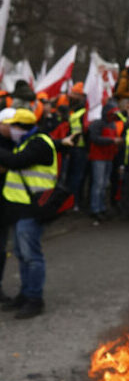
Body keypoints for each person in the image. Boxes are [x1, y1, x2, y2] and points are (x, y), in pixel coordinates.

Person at [0, 109, 57, 319]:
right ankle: (25, 294)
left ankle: (35, 298)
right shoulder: (26, 141)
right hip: (21, 209)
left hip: (33, 210)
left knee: (31, 256)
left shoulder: (39, 143)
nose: (10, 129)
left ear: (22, 127)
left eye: (14, 126)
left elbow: (16, 162)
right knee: (21, 254)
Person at [87, 101, 123, 223]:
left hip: (108, 158)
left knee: (104, 185)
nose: (114, 116)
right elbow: (94, 139)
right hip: (98, 158)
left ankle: (101, 207)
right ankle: (95, 209)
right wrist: (112, 140)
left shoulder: (112, 124)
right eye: (112, 113)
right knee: (98, 184)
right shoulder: (97, 124)